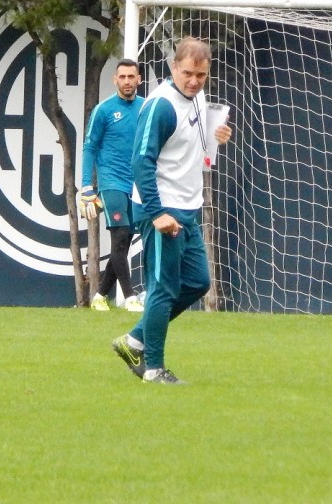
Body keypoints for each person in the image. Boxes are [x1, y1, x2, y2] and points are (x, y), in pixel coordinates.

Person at [110, 38, 233, 384]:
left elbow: (192, 142)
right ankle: (153, 368)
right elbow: (141, 160)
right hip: (163, 210)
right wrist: (157, 213)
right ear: (173, 68)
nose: (194, 81)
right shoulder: (160, 105)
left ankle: (135, 339)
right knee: (162, 287)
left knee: (197, 282)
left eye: (201, 75)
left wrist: (216, 134)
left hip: (188, 207)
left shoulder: (197, 98)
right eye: (188, 73)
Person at [79, 59, 145, 313]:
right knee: (119, 235)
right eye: (122, 77)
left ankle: (99, 296)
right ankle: (129, 297)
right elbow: (89, 147)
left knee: (125, 239)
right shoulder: (104, 110)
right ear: (115, 80)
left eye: (131, 76)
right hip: (111, 181)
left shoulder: (146, 108)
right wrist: (86, 187)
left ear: (139, 79)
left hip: (136, 184)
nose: (127, 81)